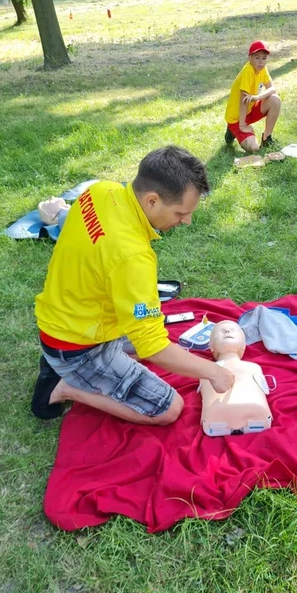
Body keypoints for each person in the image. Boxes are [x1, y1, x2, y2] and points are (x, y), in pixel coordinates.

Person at [32, 146, 234, 425]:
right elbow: (153, 347)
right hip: (77, 346)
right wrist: (213, 372)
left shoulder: (101, 190)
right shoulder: (132, 256)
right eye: (180, 212)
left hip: (61, 315)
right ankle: (64, 387)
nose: (186, 221)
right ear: (152, 200)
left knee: (154, 342)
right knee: (169, 409)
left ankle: (66, 366)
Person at [200, 320, 272, 436]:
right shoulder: (206, 370)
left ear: (243, 345)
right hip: (255, 415)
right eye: (220, 332)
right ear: (211, 346)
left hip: (216, 420)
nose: (227, 331)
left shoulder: (254, 367)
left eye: (233, 330)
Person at [224, 40, 281, 153]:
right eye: (257, 58)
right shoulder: (248, 70)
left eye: (264, 58)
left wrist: (258, 97)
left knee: (275, 100)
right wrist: (242, 126)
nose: (261, 62)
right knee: (254, 148)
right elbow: (243, 101)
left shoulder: (262, 69)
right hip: (237, 118)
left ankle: (267, 139)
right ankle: (231, 130)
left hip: (249, 110)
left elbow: (272, 89)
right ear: (249, 58)